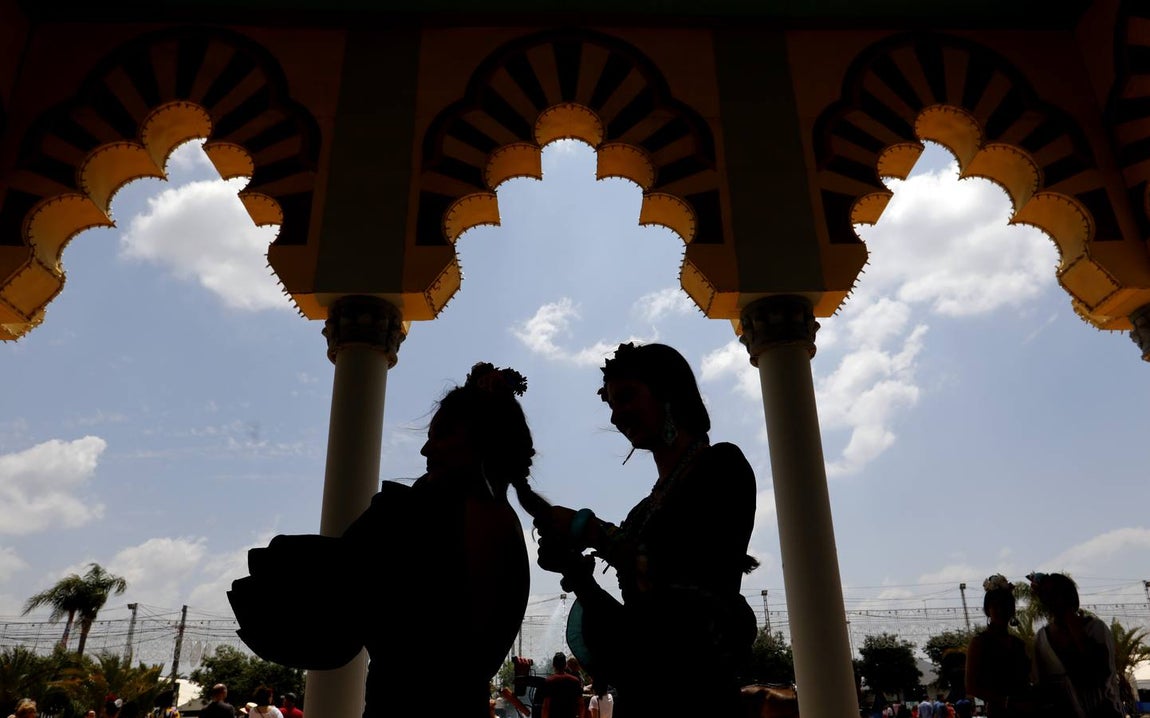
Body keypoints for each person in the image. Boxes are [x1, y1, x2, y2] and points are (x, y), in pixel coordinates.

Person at [229, 362, 549, 717]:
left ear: (481, 439)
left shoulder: (421, 515)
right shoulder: (504, 524)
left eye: (441, 434)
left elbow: (342, 593)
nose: (426, 450)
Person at [534, 342, 759, 717]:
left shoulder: (721, 466)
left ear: (669, 393)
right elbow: (637, 627)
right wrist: (575, 572)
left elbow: (676, 576)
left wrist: (587, 529)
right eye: (610, 404)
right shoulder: (641, 513)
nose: (615, 416)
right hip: (642, 698)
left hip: (699, 695)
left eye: (626, 398)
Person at [1030, 572, 1122, 718]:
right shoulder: (1041, 639)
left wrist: (1073, 626)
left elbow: (1102, 673)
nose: (1055, 601)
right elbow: (1040, 683)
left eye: (1058, 594)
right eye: (1049, 595)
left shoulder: (1095, 628)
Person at [965, 574, 1033, 718]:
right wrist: (1007, 702)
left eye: (1005, 605)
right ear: (987, 610)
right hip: (999, 712)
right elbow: (971, 686)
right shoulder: (979, 643)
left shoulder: (1018, 644)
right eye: (995, 606)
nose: (1001, 610)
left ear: (1012, 609)